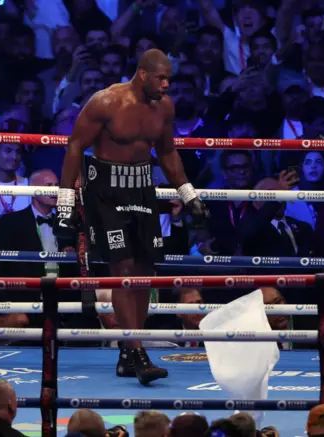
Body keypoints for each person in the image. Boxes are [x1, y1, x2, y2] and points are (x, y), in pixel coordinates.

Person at [54, 48, 209, 385]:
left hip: (142, 187)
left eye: (169, 78)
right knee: (122, 267)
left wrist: (188, 193)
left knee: (143, 271)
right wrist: (66, 202)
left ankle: (128, 350)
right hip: (105, 191)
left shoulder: (164, 108)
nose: (166, 85)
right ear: (142, 74)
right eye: (161, 78)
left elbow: (167, 152)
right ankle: (138, 352)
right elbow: (75, 146)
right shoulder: (106, 102)